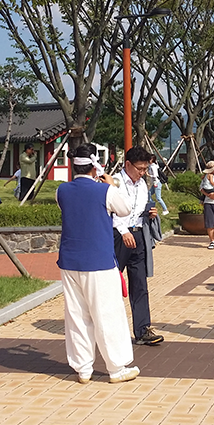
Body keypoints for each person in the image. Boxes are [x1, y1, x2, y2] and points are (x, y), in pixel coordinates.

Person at [56, 144, 139, 384]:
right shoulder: (105, 191)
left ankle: (83, 367)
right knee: (107, 313)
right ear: (95, 167)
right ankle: (116, 367)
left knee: (76, 314)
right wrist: (111, 185)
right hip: (99, 261)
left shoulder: (62, 190)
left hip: (70, 261)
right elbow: (124, 210)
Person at [113, 147, 164, 346]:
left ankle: (143, 330)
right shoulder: (114, 182)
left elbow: (139, 208)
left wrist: (150, 214)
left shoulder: (142, 184)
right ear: (128, 165)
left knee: (140, 284)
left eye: (145, 169)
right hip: (118, 235)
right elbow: (111, 210)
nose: (142, 173)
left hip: (138, 235)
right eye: (140, 168)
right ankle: (110, 329)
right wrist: (123, 231)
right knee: (113, 283)